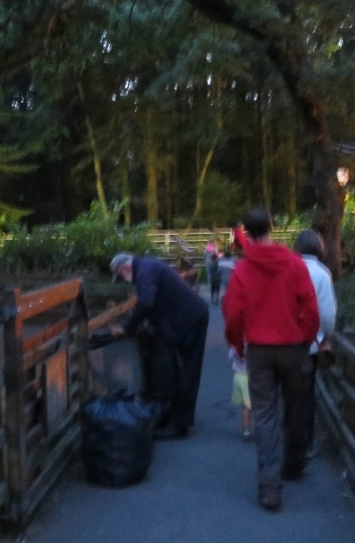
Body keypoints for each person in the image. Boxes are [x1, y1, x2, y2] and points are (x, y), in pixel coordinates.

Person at [223, 208, 319, 512]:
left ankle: (269, 487)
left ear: (246, 232)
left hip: (260, 350)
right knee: (296, 406)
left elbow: (232, 314)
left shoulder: (242, 270)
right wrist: (306, 338)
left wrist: (238, 344)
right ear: (271, 227)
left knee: (264, 415)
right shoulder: (294, 263)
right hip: (293, 345)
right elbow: (311, 308)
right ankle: (293, 464)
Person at [110, 252, 210, 439]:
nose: (124, 281)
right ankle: (177, 419)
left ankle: (179, 425)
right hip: (188, 318)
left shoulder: (144, 272)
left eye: (121, 276)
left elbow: (146, 302)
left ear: (124, 268)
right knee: (182, 371)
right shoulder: (148, 267)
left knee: (188, 371)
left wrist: (126, 327)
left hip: (192, 318)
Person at [293, 229, 337, 456]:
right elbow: (327, 314)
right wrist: (325, 335)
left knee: (287, 394)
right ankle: (305, 443)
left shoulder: (288, 269)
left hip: (285, 341)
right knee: (306, 394)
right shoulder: (322, 273)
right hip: (310, 343)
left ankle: (287, 441)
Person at [230, 346, 253, 441]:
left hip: (238, 376)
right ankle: (249, 429)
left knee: (244, 406)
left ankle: (246, 429)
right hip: (248, 377)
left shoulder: (234, 347)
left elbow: (230, 358)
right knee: (250, 405)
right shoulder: (250, 346)